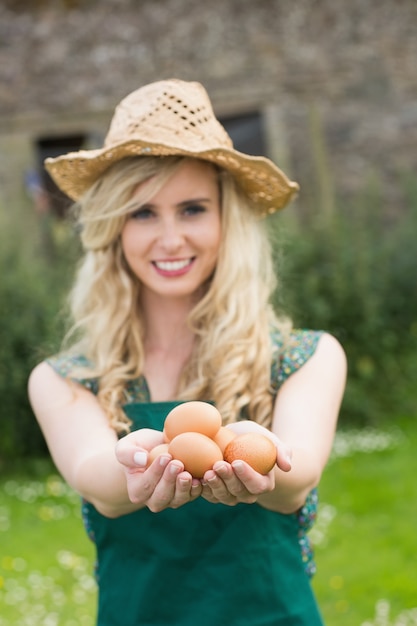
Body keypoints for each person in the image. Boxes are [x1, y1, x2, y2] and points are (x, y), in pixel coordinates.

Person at [28, 78, 347, 626]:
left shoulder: (305, 358)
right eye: (143, 213)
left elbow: (299, 475)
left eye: (193, 209)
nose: (170, 238)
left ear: (227, 222)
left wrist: (262, 458)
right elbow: (97, 480)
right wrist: (141, 462)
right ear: (113, 229)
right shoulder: (67, 379)